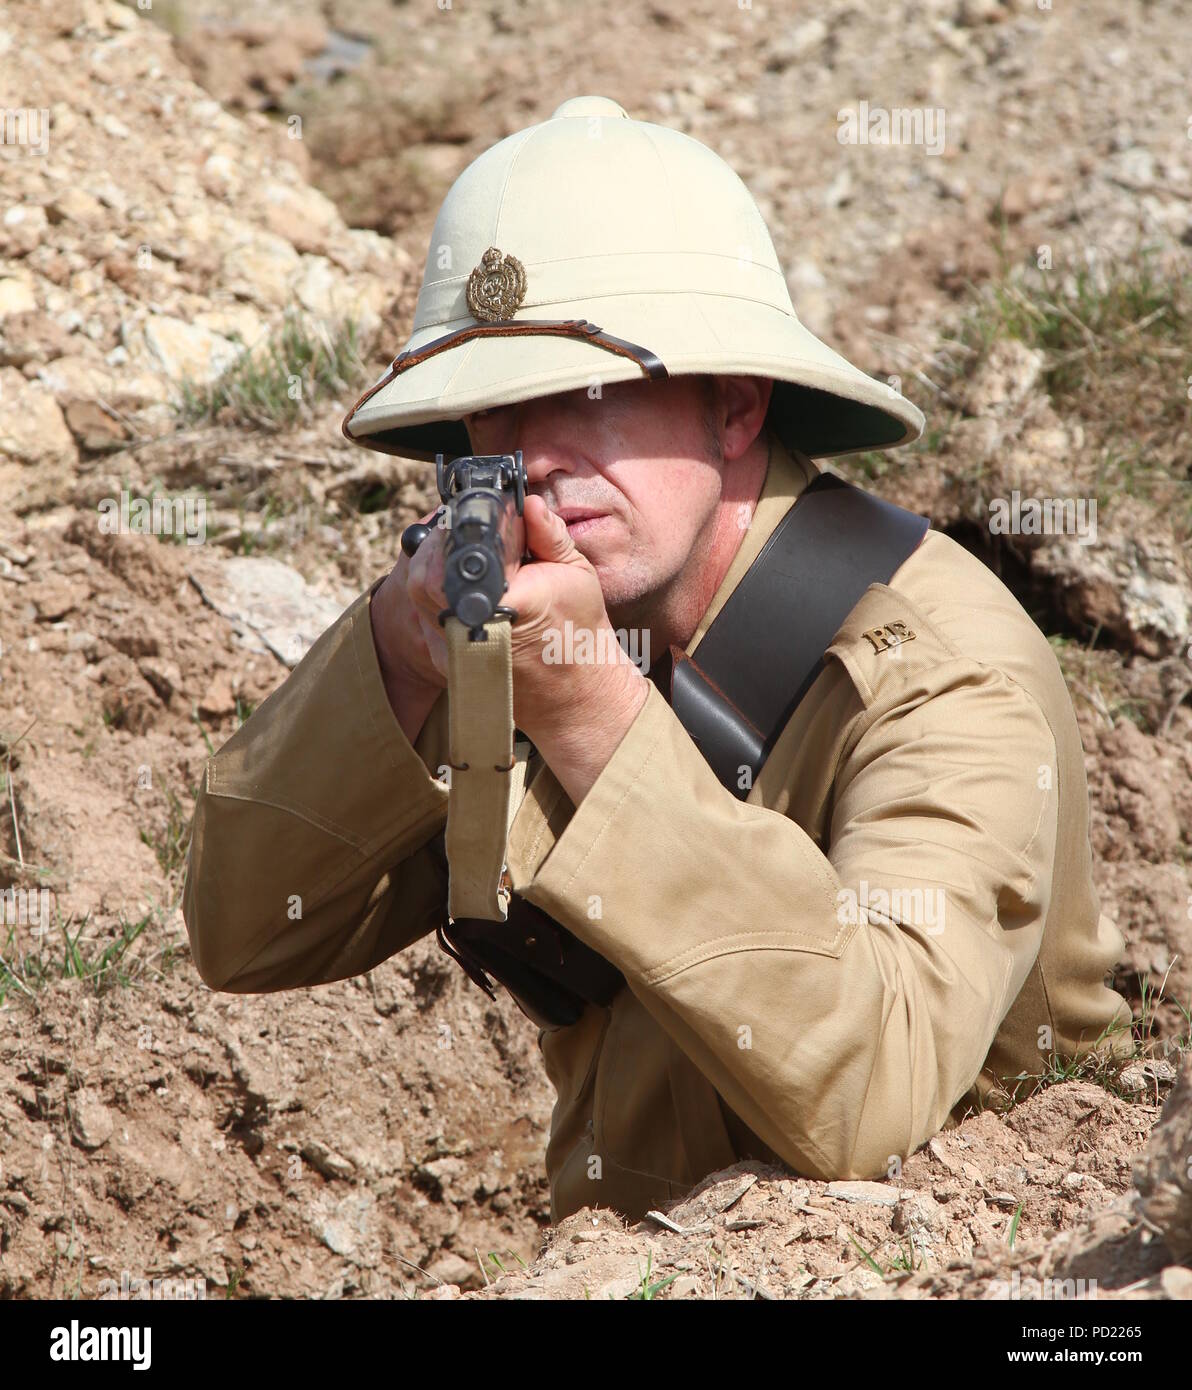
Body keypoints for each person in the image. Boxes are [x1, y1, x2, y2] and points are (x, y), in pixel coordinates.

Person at [183, 96, 1130, 1224]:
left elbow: (877, 1088)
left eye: (585, 397)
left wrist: (591, 718)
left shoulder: (941, 673)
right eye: (490, 411)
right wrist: (400, 653)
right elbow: (245, 929)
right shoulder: (521, 615)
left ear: (733, 404)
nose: (531, 459)